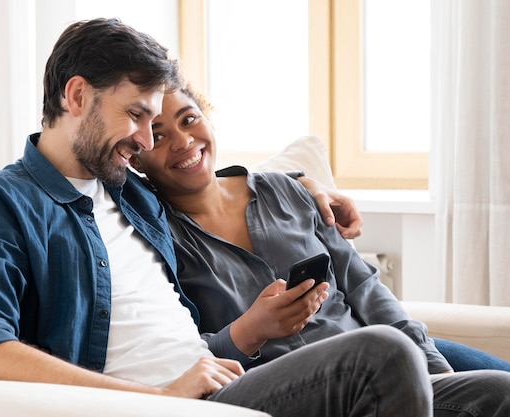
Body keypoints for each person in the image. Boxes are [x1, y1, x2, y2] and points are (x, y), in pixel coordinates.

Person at [0, 18, 436, 417]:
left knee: (491, 393)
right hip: (160, 403)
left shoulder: (129, 192)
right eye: (137, 116)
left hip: (222, 384)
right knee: (383, 355)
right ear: (75, 96)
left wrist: (308, 186)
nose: (147, 142)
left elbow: (219, 184)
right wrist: (160, 398)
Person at [129, 85, 510, 416]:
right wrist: (251, 330)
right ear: (137, 156)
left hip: (382, 374)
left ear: (208, 118)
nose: (183, 141)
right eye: (158, 137)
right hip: (282, 391)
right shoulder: (157, 239)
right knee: (386, 350)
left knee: (497, 390)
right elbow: (183, 354)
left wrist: (435, 370)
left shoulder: (287, 190)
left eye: (189, 119)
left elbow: (365, 288)